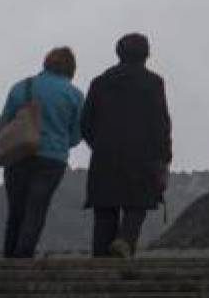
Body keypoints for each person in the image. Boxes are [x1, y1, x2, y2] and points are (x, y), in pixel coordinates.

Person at [80, 32, 172, 257]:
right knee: (137, 204)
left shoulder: (100, 82)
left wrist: (99, 144)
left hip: (105, 154)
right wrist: (163, 156)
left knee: (105, 210)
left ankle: (100, 262)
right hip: (142, 155)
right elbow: (161, 122)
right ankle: (125, 239)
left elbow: (85, 122)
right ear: (146, 55)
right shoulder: (153, 83)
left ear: (118, 53)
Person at [0, 46, 84, 259]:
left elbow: (5, 121)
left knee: (16, 209)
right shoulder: (74, 95)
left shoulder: (21, 87)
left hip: (18, 155)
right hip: (52, 160)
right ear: (71, 70)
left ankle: (9, 256)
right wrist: (62, 143)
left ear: (46, 63)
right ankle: (24, 254)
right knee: (37, 207)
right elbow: (78, 132)